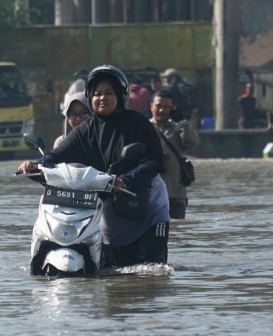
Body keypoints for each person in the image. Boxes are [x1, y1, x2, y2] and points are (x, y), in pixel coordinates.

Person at [17, 64, 170, 267]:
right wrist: (35, 165)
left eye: (109, 93)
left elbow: (153, 161)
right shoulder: (85, 131)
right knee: (112, 268)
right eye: (97, 93)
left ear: (121, 96)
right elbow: (57, 156)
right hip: (110, 203)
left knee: (152, 269)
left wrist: (128, 179)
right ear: (90, 97)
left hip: (147, 203)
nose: (102, 98)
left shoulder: (138, 124)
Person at [149, 90, 200, 219]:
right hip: (150, 193)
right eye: (158, 106)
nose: (162, 110)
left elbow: (192, 141)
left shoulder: (178, 128)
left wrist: (182, 121)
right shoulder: (144, 128)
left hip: (175, 194)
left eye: (166, 107)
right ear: (151, 106)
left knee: (178, 232)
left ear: (172, 109)